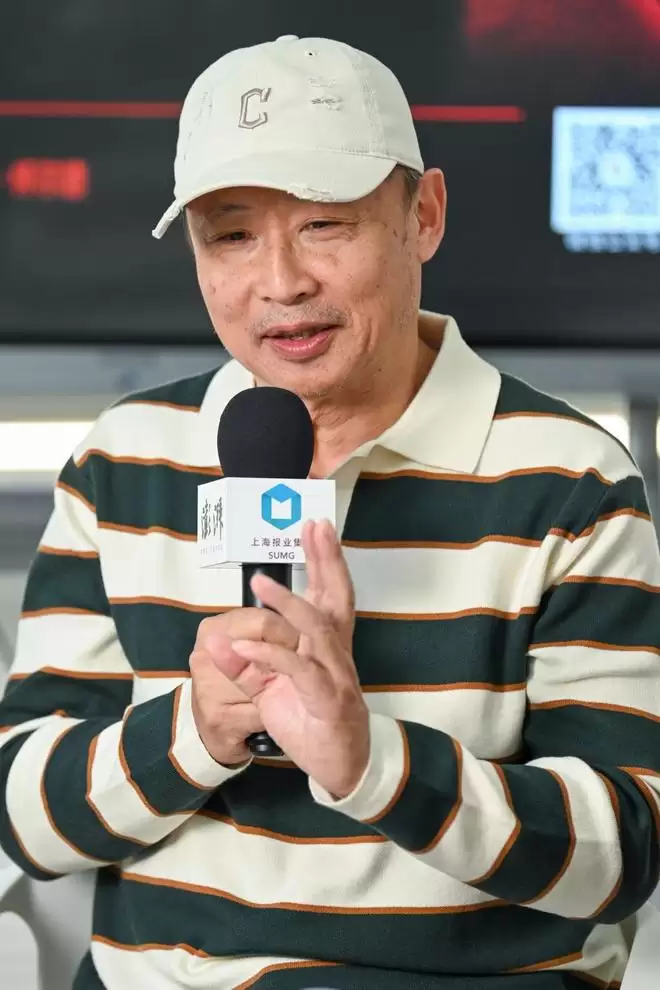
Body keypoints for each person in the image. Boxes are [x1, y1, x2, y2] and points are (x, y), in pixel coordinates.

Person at [1, 34, 659, 990]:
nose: (281, 283)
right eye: (231, 236)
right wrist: (196, 730)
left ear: (423, 216)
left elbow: (625, 849)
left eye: (324, 224)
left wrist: (371, 763)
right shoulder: (123, 460)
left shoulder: (572, 480)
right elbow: (25, 816)